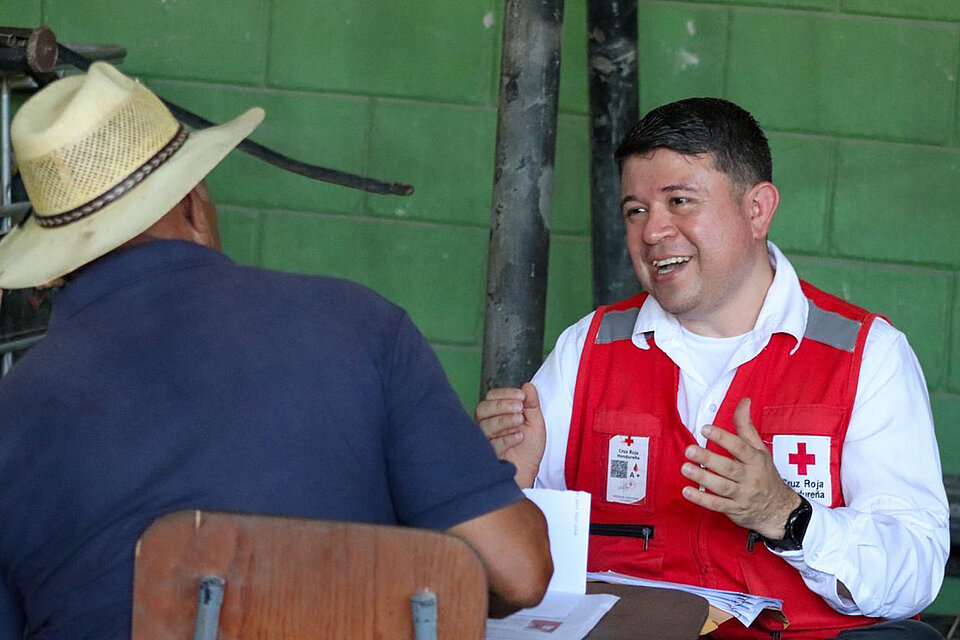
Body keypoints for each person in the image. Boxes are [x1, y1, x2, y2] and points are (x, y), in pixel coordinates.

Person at [0, 62, 551, 639]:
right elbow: (518, 572)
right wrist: (478, 489)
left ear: (55, 267)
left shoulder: (12, 413)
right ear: (194, 203)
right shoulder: (359, 325)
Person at [477, 98, 949, 639]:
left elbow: (914, 570)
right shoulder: (589, 346)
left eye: (679, 201)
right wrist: (510, 477)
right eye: (635, 210)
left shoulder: (866, 354)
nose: (652, 232)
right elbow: (509, 572)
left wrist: (787, 515)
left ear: (757, 210)